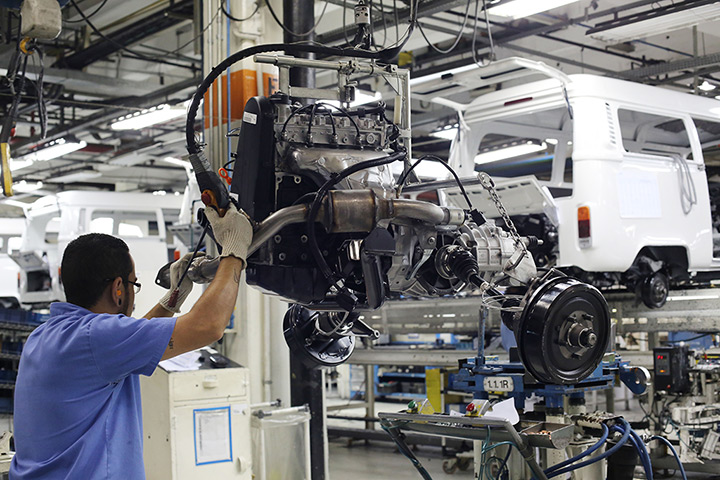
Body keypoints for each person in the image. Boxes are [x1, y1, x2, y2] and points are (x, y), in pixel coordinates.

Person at [9, 204, 253, 479]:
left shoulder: (46, 335)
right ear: (117, 289)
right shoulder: (97, 338)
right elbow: (209, 325)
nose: (134, 294)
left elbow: (128, 338)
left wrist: (173, 298)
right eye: (133, 284)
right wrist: (235, 250)